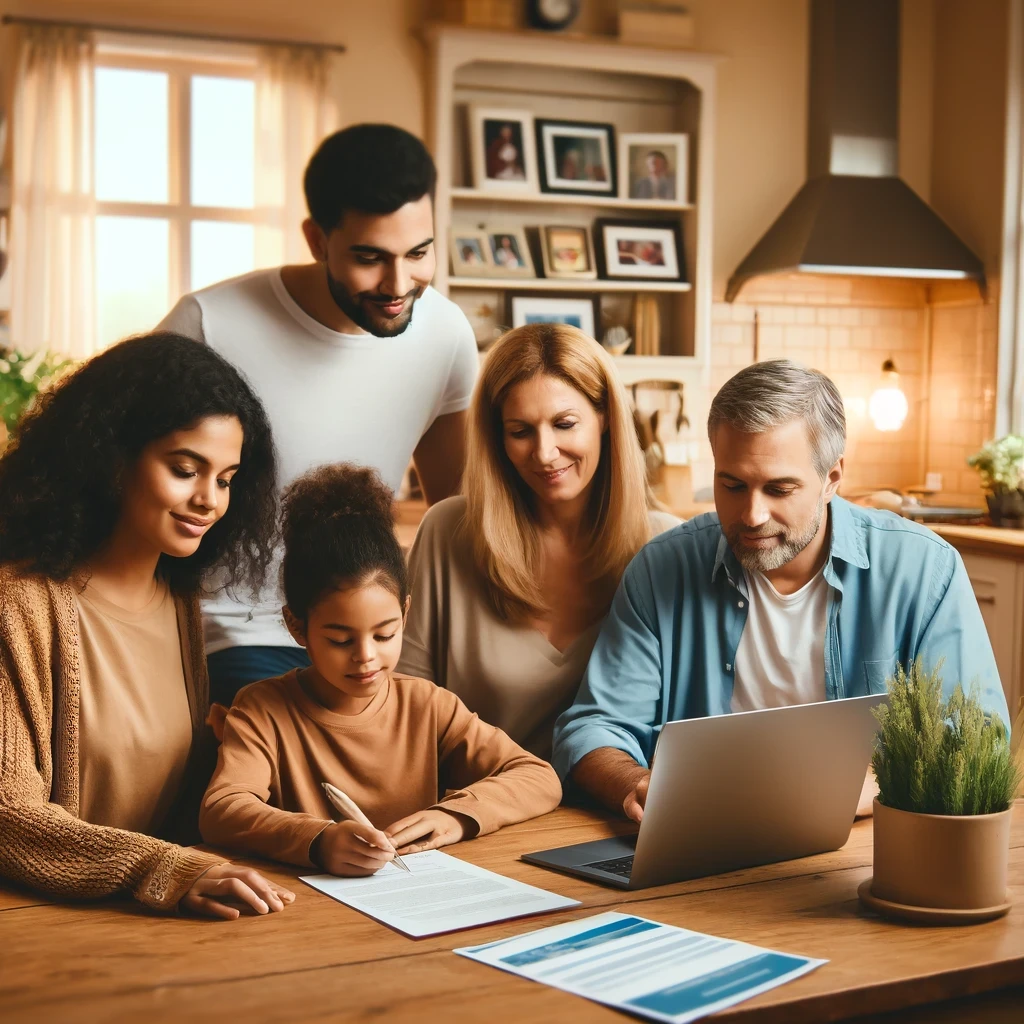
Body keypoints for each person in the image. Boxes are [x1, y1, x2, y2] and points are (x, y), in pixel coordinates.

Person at [553, 359, 1011, 822]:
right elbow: (594, 727)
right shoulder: (661, 569)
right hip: (703, 839)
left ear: (832, 479)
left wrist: (849, 789)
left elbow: (977, 736)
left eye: (779, 488)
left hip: (872, 839)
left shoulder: (923, 568)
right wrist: (636, 783)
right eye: (732, 485)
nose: (751, 514)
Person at [157, 124, 479, 705]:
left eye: (419, 253)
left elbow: (457, 508)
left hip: (375, 633)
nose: (399, 284)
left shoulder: (445, 334)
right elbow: (129, 489)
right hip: (238, 632)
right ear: (316, 238)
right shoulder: (210, 325)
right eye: (369, 257)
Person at [0, 332, 293, 919]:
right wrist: (166, 868)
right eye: (186, 469)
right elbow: (9, 814)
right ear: (111, 457)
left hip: (150, 922)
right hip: (37, 923)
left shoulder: (179, 599)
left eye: (227, 478)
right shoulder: (20, 604)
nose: (209, 500)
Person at [199, 464, 561, 873]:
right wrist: (317, 839)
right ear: (297, 626)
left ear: (405, 614)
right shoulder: (263, 710)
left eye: (384, 635)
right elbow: (222, 809)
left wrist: (454, 817)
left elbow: (538, 777)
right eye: (340, 640)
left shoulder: (428, 705)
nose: (365, 656)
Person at [397, 323, 679, 759]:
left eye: (565, 424)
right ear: (497, 437)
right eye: (521, 431)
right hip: (480, 812)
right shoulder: (447, 532)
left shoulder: (667, 546)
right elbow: (404, 703)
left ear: (605, 418)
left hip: (619, 805)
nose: (545, 452)